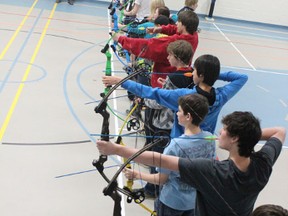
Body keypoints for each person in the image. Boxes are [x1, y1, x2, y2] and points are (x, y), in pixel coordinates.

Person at [97, 112, 286, 216]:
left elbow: (159, 160)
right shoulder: (263, 165)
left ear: (235, 138)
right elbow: (280, 132)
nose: (220, 132)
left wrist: (117, 150)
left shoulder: (213, 171)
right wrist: (248, 135)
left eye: (225, 131)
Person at [102, 55, 248, 138]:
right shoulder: (221, 96)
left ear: (201, 75)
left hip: (180, 144)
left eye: (195, 71)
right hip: (204, 143)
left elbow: (150, 92)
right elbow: (242, 77)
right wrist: (213, 74)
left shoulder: (185, 96)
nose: (192, 73)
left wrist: (121, 82)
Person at [124, 93, 215, 216]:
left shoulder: (174, 146)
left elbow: (161, 179)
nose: (177, 113)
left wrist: (136, 174)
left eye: (179, 111)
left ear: (188, 116)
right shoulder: (210, 139)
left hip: (172, 203)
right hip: (195, 201)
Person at [140, 40, 195, 198]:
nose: (168, 57)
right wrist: (166, 86)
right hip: (180, 125)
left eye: (170, 54)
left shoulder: (174, 77)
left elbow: (160, 102)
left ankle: (153, 190)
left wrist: (144, 99)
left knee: (157, 158)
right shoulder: (191, 74)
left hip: (165, 124)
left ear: (177, 58)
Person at [112, 10, 199, 88]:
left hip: (162, 81)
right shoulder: (193, 35)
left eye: (179, 22)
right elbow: (175, 29)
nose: (176, 24)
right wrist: (161, 29)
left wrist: (120, 39)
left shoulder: (174, 42)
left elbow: (147, 46)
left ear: (183, 25)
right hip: (176, 77)